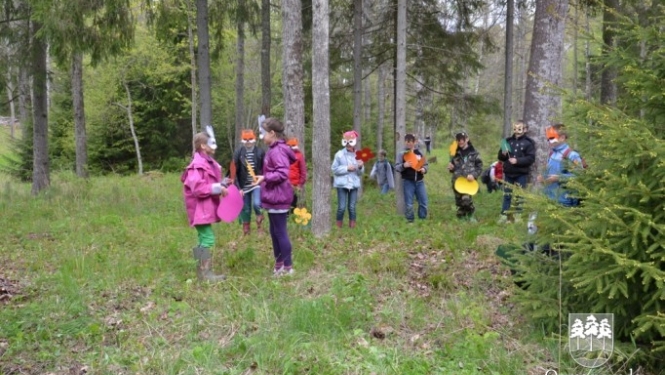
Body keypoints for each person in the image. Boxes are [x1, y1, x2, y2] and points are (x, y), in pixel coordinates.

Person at [181, 129, 229, 282]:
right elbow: (198, 189)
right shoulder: (196, 166)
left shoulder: (208, 163)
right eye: (211, 143)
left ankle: (202, 273)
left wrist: (223, 184)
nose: (215, 146)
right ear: (203, 146)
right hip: (198, 210)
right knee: (208, 239)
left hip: (205, 208)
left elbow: (210, 183)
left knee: (203, 239)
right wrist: (217, 188)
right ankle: (204, 273)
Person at [253, 118, 297, 276]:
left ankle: (288, 267)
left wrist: (265, 178)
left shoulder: (278, 151)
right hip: (273, 196)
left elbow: (282, 173)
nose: (261, 137)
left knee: (280, 232)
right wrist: (263, 176)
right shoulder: (273, 149)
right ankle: (279, 265)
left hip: (279, 196)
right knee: (274, 231)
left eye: (263, 134)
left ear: (272, 133)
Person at [497, 120, 536, 223]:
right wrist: (503, 154)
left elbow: (531, 158)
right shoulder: (508, 141)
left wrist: (518, 161)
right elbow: (500, 156)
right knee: (507, 195)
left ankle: (518, 216)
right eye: (515, 129)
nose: (517, 131)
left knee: (520, 195)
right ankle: (504, 215)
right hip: (509, 173)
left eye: (519, 129)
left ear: (525, 129)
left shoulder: (529, 143)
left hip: (521, 173)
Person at [230, 129, 266, 235]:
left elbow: (264, 168)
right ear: (242, 140)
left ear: (254, 139)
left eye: (250, 139)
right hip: (243, 185)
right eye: (245, 139)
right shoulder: (238, 152)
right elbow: (233, 169)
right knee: (245, 207)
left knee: (256, 204)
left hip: (256, 184)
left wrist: (263, 180)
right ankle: (246, 230)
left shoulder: (260, 152)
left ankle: (260, 227)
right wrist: (238, 188)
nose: (248, 141)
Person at [538, 124, 584, 207]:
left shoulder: (572, 155)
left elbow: (580, 176)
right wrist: (543, 177)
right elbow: (550, 172)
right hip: (548, 197)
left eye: (552, 138)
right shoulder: (551, 153)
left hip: (564, 201)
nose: (549, 141)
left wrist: (559, 178)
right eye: (548, 138)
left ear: (562, 137)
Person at [331, 130, 364, 228]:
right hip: (342, 184)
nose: (349, 145)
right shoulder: (339, 154)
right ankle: (338, 226)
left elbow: (360, 173)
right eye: (347, 142)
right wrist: (346, 168)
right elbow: (334, 169)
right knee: (341, 207)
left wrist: (360, 167)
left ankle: (352, 227)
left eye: (351, 142)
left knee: (352, 207)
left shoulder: (359, 154)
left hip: (353, 184)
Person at [448, 131, 483, 221]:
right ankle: (462, 218)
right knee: (459, 202)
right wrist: (451, 168)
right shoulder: (455, 154)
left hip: (468, 182)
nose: (460, 142)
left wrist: (474, 175)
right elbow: (452, 168)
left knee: (466, 200)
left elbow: (479, 168)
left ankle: (471, 215)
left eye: (462, 139)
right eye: (458, 140)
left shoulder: (474, 153)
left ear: (467, 139)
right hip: (457, 182)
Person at [395, 133, 429, 223]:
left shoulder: (420, 153)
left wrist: (424, 169)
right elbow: (397, 167)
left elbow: (426, 164)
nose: (409, 143)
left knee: (423, 202)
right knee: (409, 203)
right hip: (408, 182)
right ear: (405, 142)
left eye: (411, 141)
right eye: (407, 141)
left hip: (420, 181)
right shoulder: (402, 154)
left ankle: (422, 220)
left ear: (415, 142)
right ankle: (410, 220)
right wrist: (404, 165)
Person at [286, 137, 307, 213]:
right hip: (285, 183)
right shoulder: (284, 155)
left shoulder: (299, 156)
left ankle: (292, 218)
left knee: (293, 202)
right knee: (285, 202)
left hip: (294, 184)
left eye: (292, 146)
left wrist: (300, 184)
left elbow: (303, 171)